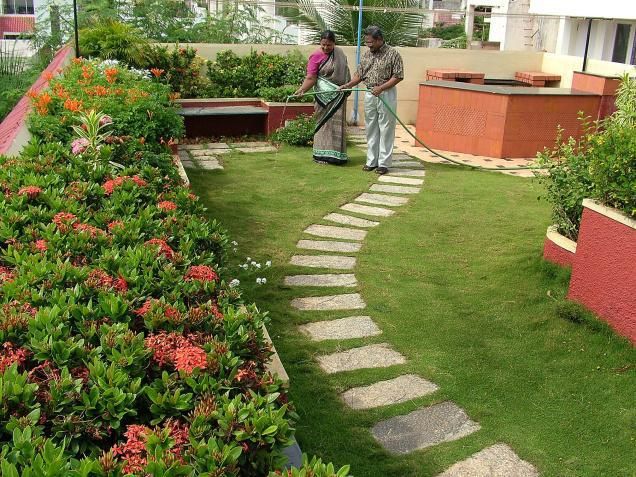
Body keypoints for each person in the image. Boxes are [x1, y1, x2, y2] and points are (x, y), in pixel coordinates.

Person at [340, 26, 404, 175]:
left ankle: (384, 163)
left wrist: (381, 88)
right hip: (369, 93)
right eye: (367, 43)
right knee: (371, 128)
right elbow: (359, 75)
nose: (369, 45)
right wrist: (348, 85)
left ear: (380, 40)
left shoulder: (393, 54)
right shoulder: (366, 55)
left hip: (386, 93)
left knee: (386, 128)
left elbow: (398, 75)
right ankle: (371, 161)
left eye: (371, 43)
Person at [294, 30, 351, 165]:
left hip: (339, 96)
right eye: (323, 45)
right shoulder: (316, 56)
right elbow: (311, 77)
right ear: (320, 42)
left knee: (336, 125)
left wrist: (346, 86)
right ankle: (320, 155)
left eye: (329, 45)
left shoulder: (340, 54)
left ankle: (337, 156)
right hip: (323, 98)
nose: (326, 48)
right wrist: (302, 89)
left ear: (334, 44)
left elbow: (346, 72)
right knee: (323, 123)